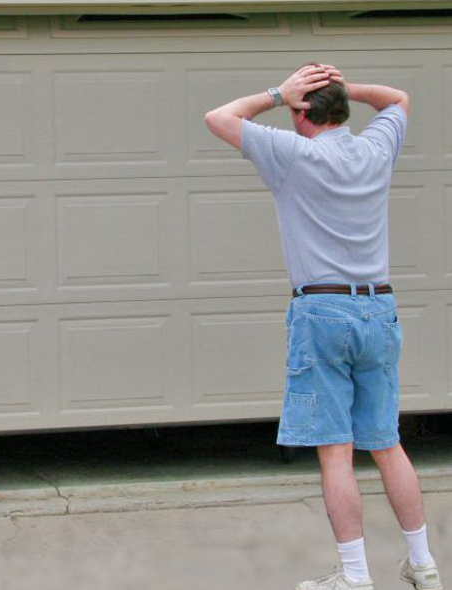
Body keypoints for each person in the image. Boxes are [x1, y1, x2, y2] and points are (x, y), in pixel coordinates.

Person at [204, 63, 443, 590]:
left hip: (322, 312)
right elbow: (398, 97)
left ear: (302, 113)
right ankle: (424, 565)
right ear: (342, 109)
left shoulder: (293, 155)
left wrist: (277, 92)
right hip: (378, 308)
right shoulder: (376, 149)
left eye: (295, 108)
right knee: (386, 443)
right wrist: (341, 88)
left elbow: (218, 117)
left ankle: (356, 578)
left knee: (335, 449)